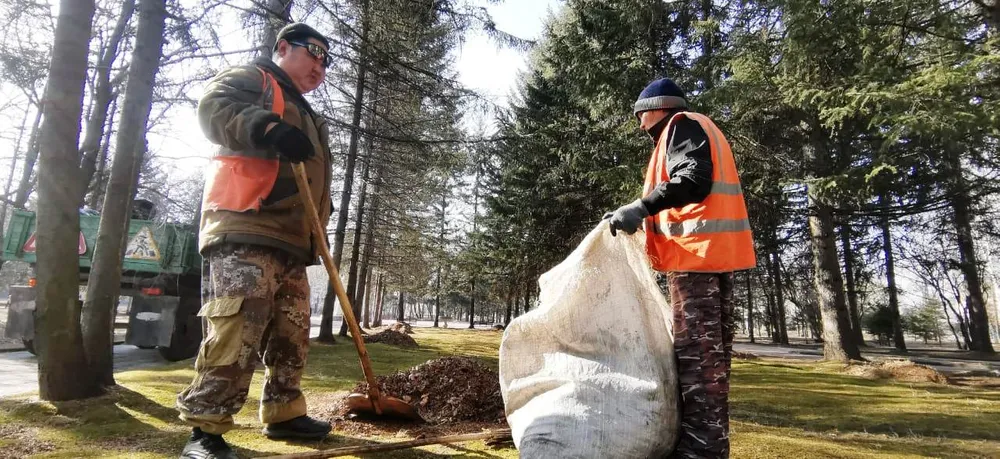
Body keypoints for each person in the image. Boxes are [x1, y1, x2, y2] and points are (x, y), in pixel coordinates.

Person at [177, 22, 335, 459]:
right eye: (313, 52)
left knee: (292, 332)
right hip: (246, 224)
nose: (320, 66)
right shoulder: (255, 80)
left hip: (291, 242)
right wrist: (265, 127)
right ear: (283, 47)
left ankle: (284, 413)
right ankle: (205, 428)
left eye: (328, 60)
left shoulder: (309, 115)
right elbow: (213, 107)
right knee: (238, 327)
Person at [604, 77, 756, 459]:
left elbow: (692, 180)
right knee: (712, 361)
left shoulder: (681, 126)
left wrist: (641, 207)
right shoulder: (701, 128)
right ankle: (709, 446)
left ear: (656, 109)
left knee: (698, 359)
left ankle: (699, 451)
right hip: (710, 257)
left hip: (695, 261)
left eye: (641, 116)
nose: (641, 126)